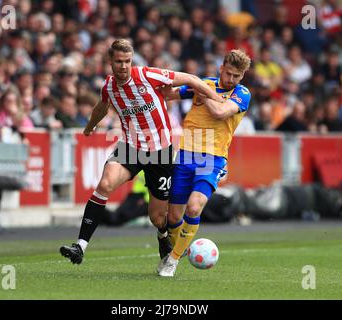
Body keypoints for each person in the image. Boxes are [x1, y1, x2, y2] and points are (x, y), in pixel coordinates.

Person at [59, 38, 223, 265]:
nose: (123, 66)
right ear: (110, 61)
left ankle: (163, 235)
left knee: (157, 217)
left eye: (127, 61)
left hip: (160, 153)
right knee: (105, 184)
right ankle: (80, 246)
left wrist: (218, 99)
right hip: (131, 148)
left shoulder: (148, 75)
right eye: (119, 61)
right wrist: (90, 126)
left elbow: (193, 80)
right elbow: (102, 106)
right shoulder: (109, 86)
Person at [157, 49, 252, 277]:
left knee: (194, 205)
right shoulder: (204, 83)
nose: (231, 80)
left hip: (213, 157)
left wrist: (203, 92)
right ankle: (181, 248)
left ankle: (173, 260)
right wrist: (166, 78)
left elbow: (220, 112)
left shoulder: (242, 93)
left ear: (242, 77)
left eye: (236, 76)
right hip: (186, 154)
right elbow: (168, 95)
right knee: (172, 217)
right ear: (221, 68)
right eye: (228, 73)